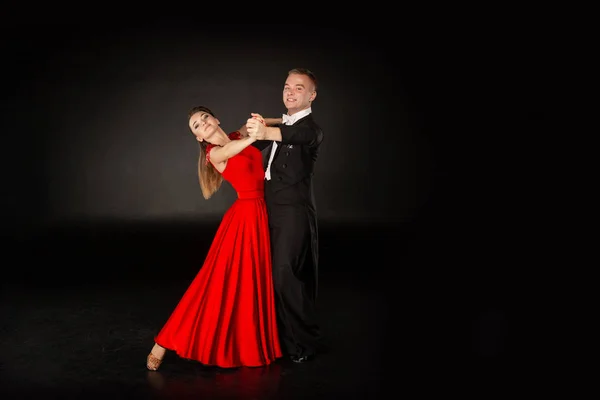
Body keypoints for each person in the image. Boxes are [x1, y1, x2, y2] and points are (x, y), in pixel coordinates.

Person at [146, 106, 282, 370]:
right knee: (214, 283)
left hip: (259, 215)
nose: (203, 124)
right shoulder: (215, 153)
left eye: (205, 117)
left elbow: (251, 126)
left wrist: (280, 121)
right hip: (243, 221)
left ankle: (247, 342)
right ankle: (163, 342)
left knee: (250, 282)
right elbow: (243, 143)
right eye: (196, 125)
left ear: (216, 118)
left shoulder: (233, 136)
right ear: (199, 137)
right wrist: (260, 133)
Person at [245, 68, 324, 363]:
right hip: (268, 211)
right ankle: (282, 342)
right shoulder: (282, 125)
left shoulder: (311, 130)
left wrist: (267, 129)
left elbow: (295, 134)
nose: (290, 91)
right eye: (287, 86)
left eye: (299, 88)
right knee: (269, 275)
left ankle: (307, 342)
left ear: (311, 96)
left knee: (284, 274)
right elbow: (248, 142)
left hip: (293, 213)